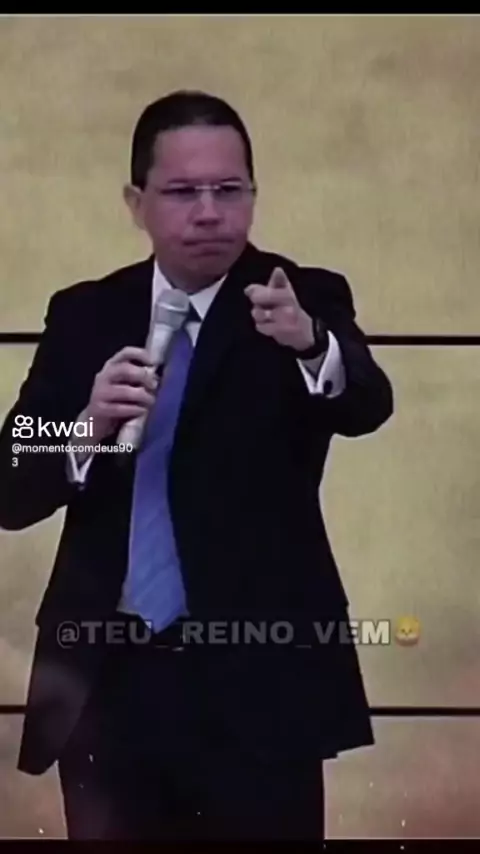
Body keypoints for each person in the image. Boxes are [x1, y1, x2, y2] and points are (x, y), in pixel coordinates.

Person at [0, 90, 393, 841]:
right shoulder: (86, 313)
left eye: (229, 189)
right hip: (108, 684)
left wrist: (312, 343)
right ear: (137, 203)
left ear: (253, 193)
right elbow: (12, 482)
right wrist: (84, 428)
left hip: (259, 679)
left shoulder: (297, 298)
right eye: (183, 192)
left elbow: (368, 403)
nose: (210, 212)